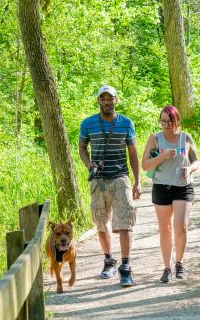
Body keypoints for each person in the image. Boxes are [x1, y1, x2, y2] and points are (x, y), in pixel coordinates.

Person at [79, 85, 141, 287]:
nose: (107, 102)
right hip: (98, 180)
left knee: (125, 221)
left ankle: (126, 266)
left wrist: (137, 181)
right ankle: (108, 260)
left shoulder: (126, 123)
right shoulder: (88, 124)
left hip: (120, 177)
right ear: (98, 101)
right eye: (103, 98)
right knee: (101, 221)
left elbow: (133, 153)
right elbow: (82, 147)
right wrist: (89, 164)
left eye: (110, 98)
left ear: (116, 100)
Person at [141, 105, 200, 283]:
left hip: (183, 187)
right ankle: (166, 268)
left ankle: (179, 263)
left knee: (181, 227)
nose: (166, 124)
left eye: (169, 121)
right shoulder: (155, 139)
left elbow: (196, 161)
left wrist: (189, 169)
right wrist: (162, 156)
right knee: (165, 229)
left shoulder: (186, 138)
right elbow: (145, 165)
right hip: (161, 187)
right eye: (163, 121)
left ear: (177, 121)